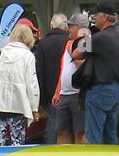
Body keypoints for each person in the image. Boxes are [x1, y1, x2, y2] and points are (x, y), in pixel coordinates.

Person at [71, 3, 119, 145]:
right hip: (117, 89)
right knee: (111, 135)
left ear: (104, 17)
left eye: (96, 14)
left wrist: (85, 38)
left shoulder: (98, 38)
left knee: (94, 136)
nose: (94, 17)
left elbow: (76, 53)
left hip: (100, 90)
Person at [0, 23, 40, 146]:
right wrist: (34, 108)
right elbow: (32, 84)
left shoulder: (2, 52)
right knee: (17, 142)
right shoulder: (28, 56)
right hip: (18, 104)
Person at [52, 15, 89, 145]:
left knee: (80, 131)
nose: (68, 29)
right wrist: (58, 91)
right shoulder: (68, 43)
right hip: (64, 94)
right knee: (61, 130)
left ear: (79, 28)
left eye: (71, 26)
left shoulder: (86, 41)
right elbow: (63, 70)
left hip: (78, 94)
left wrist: (82, 41)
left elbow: (83, 63)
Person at [35, 14, 69, 144]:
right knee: (68, 126)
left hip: (49, 92)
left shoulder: (42, 44)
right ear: (65, 26)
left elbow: (39, 71)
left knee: (52, 125)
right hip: (68, 89)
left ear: (51, 26)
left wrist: (41, 98)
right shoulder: (69, 42)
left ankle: (51, 152)